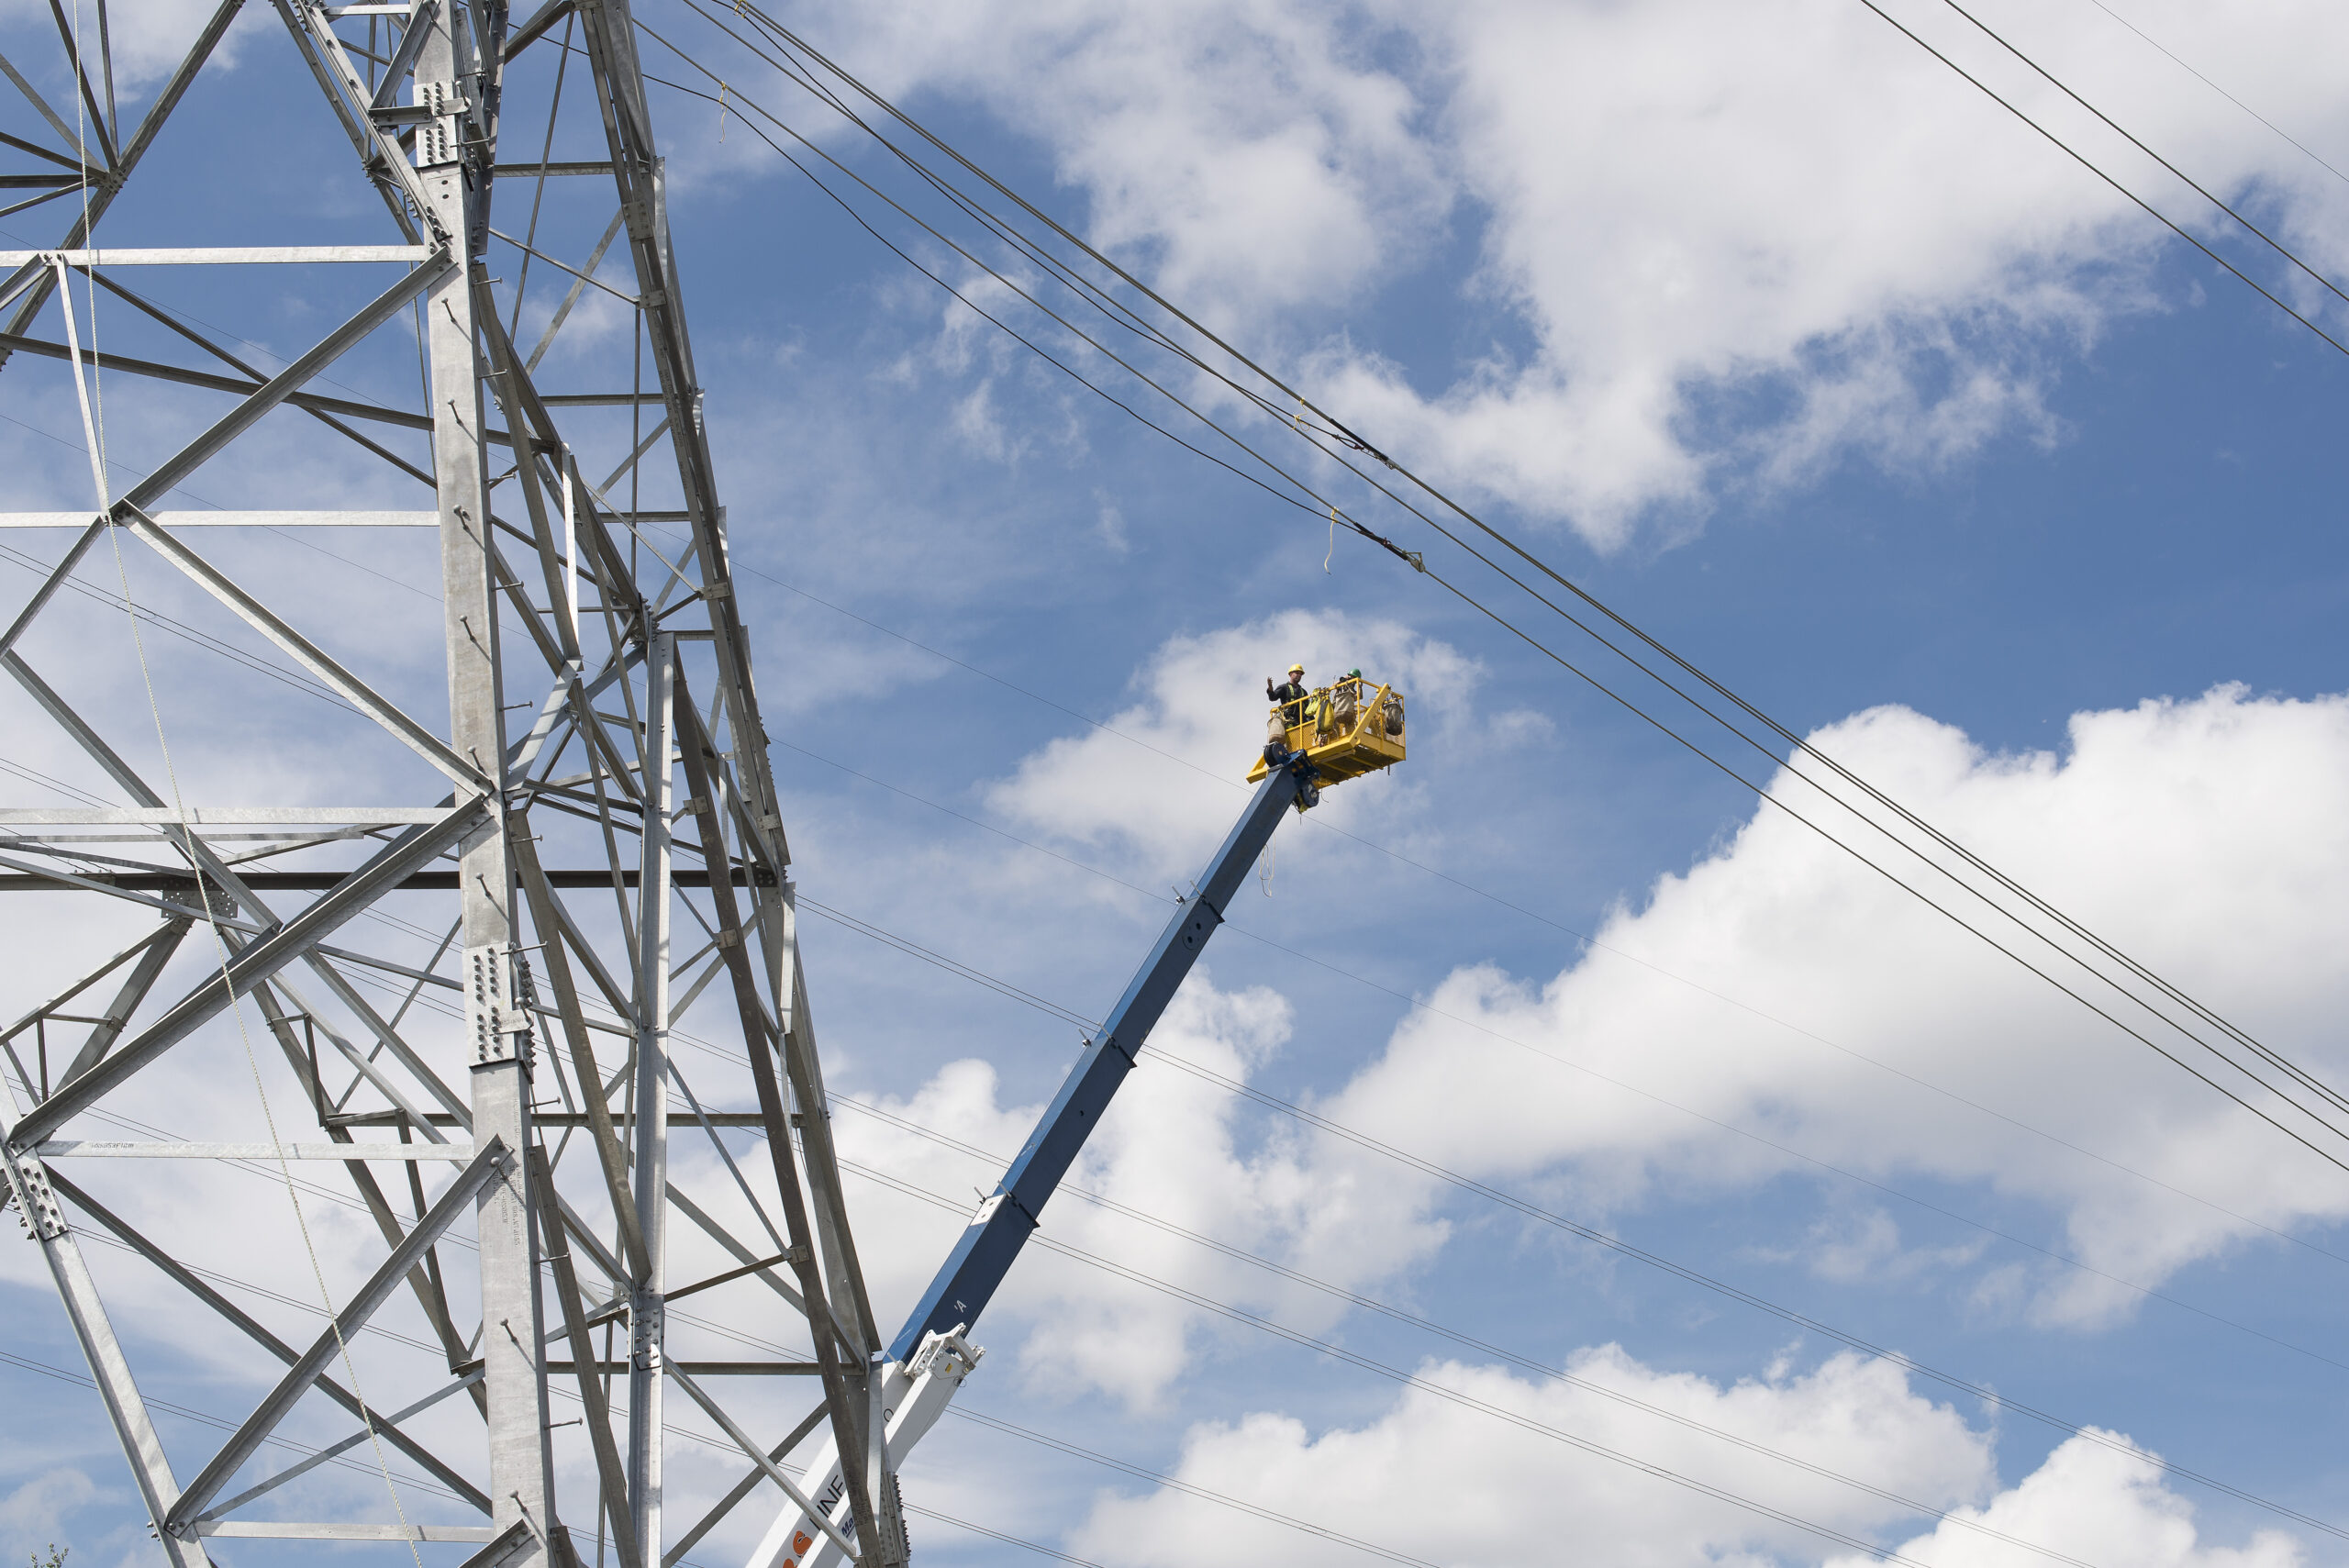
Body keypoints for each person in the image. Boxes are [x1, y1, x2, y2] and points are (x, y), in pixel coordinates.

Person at [1264, 662, 1308, 761]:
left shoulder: (1303, 692)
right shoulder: (1284, 687)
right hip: (1289, 720)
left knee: (1304, 737)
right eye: (1296, 673)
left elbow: (1308, 708)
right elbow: (1273, 697)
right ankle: (1290, 755)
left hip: (1301, 720)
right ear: (1290, 674)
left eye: (1300, 674)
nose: (1299, 675)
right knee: (1292, 740)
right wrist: (1270, 687)